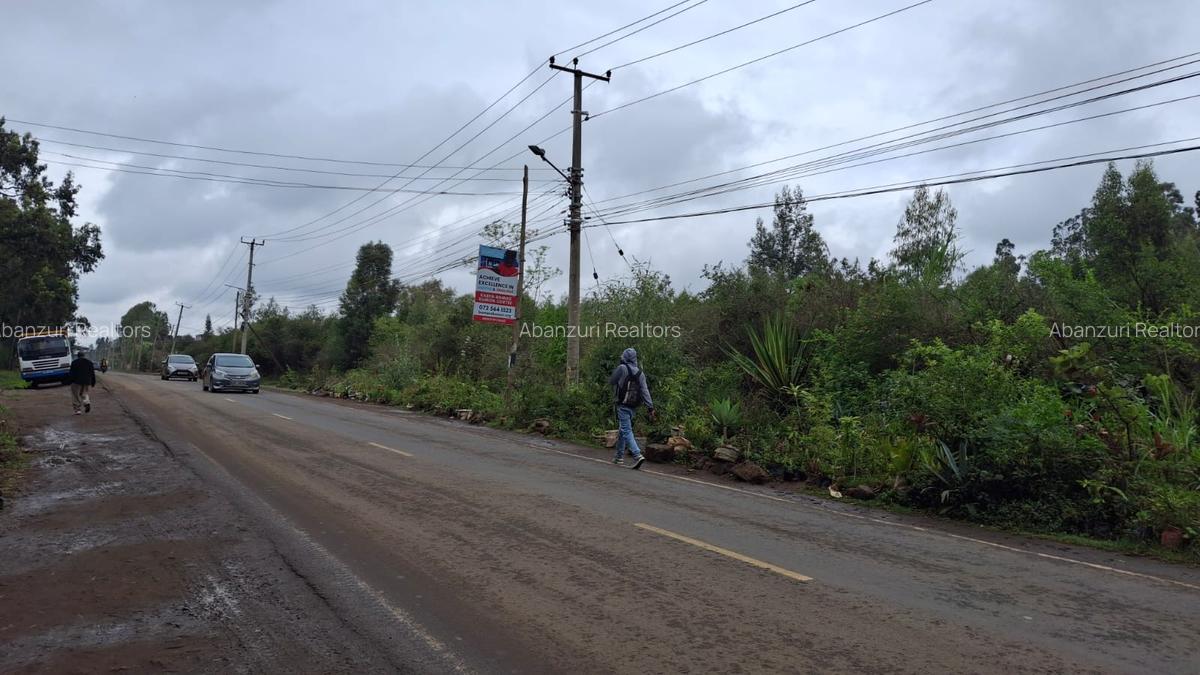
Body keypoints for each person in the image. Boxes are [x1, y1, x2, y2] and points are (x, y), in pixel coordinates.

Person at [608, 347, 655, 469]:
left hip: (622, 404)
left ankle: (637, 454)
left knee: (626, 430)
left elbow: (612, 381)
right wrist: (650, 407)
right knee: (623, 430)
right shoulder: (640, 373)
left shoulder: (622, 368)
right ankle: (618, 457)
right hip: (633, 406)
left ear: (624, 356)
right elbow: (645, 391)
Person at [68, 350, 96, 415]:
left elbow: (71, 373)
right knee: (84, 394)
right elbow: (92, 373)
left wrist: (69, 381)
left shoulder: (74, 362)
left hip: (76, 382)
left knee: (76, 395)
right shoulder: (89, 362)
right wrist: (93, 382)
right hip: (86, 381)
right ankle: (87, 403)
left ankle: (78, 410)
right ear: (84, 355)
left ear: (77, 356)